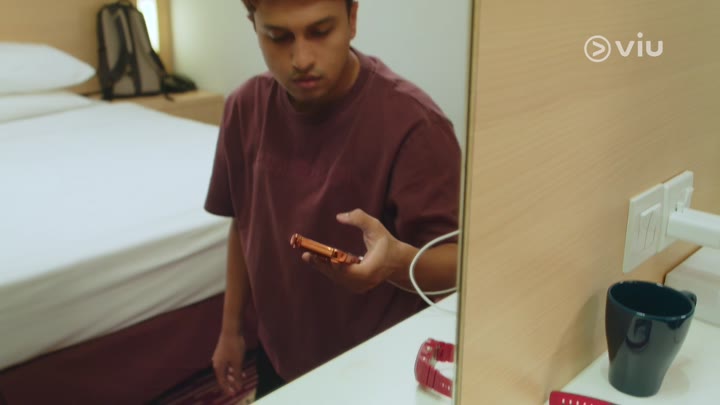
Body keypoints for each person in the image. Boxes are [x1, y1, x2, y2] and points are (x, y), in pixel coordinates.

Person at [204, 0, 461, 399]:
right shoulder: (244, 108)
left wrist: (395, 263)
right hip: (278, 355)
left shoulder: (415, 124)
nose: (302, 59)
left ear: (352, 18)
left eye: (320, 32)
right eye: (278, 37)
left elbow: (459, 263)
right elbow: (244, 222)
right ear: (254, 26)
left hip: (374, 366)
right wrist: (230, 330)